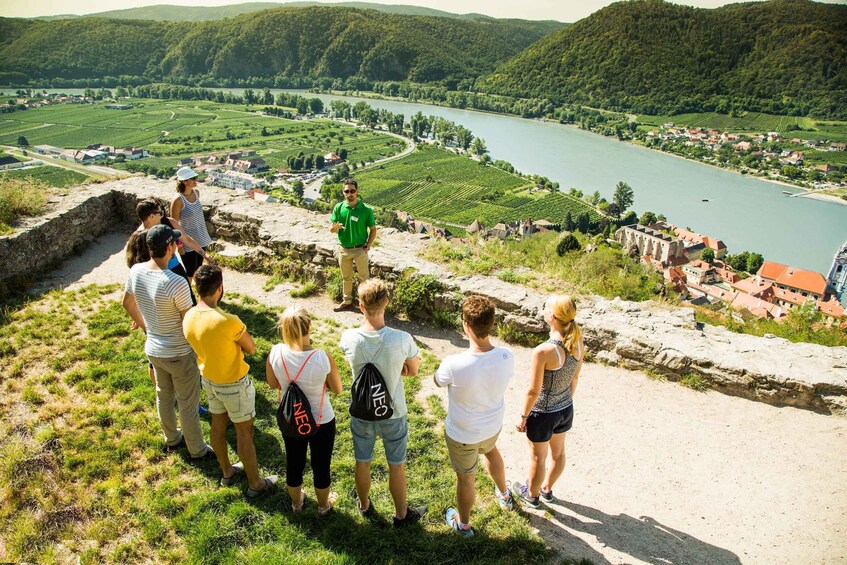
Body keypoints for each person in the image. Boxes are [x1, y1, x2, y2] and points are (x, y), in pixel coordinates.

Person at [183, 265, 277, 497]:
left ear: (196, 287)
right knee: (245, 433)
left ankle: (227, 472)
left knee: (218, 426)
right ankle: (256, 484)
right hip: (234, 383)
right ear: (220, 288)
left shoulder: (188, 316)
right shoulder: (228, 321)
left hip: (210, 380)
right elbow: (252, 348)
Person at [339, 278, 427, 527]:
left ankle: (364, 505)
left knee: (362, 461)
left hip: (362, 412)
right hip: (394, 413)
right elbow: (412, 370)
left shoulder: (349, 338)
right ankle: (401, 515)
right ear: (387, 302)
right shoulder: (402, 339)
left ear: (360, 305)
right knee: (396, 466)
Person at [122, 224, 213, 460]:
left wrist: (146, 327)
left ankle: (172, 438)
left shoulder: (136, 271)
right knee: (188, 404)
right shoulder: (176, 282)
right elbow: (189, 323)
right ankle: (197, 450)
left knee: (163, 396)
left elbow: (127, 304)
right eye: (175, 242)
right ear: (170, 247)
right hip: (179, 352)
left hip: (154, 348)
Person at [434, 295, 515, 537]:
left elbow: (438, 381)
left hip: (463, 434)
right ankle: (505, 495)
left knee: (466, 477)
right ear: (491, 324)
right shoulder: (507, 356)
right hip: (492, 427)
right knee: (491, 451)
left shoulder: (454, 363)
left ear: (466, 326)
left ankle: (464, 524)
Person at [266, 308, 343, 514]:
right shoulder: (322, 357)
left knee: (294, 461)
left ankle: (297, 503)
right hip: (321, 419)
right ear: (310, 326)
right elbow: (337, 389)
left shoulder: (275, 352)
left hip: (290, 417)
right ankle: (323, 506)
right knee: (321, 464)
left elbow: (273, 384)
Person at [513, 294, 584, 508]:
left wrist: (524, 416)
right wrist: (565, 402)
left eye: (545, 307)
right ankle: (546, 489)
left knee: (537, 459)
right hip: (565, 408)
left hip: (543, 413)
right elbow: (575, 377)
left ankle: (532, 496)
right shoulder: (578, 341)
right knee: (559, 453)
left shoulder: (544, 351)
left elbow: (534, 391)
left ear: (551, 316)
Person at [329, 179, 377, 312]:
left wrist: (367, 246)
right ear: (343, 192)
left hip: (360, 249)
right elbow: (331, 229)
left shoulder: (366, 210)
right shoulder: (339, 208)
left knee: (364, 279)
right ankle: (347, 302)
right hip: (344, 249)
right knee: (346, 278)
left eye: (352, 191)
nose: (349, 193)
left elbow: (373, 229)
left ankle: (365, 304)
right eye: (347, 191)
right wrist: (335, 228)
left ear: (357, 191)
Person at [171, 167, 213, 280]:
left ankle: (194, 291)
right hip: (187, 241)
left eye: (196, 177)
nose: (196, 180)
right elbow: (174, 226)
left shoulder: (196, 193)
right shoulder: (178, 200)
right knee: (190, 271)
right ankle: (187, 294)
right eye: (193, 178)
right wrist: (179, 246)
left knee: (198, 268)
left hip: (200, 236)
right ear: (184, 181)